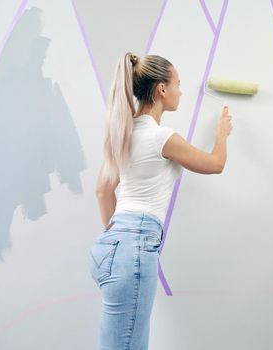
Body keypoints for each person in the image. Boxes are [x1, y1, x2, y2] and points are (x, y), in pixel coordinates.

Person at [91, 52, 232, 349]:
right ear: (161, 90)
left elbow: (103, 191)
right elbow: (215, 164)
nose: (180, 90)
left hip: (113, 246)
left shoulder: (125, 131)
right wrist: (222, 133)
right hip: (134, 246)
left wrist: (119, 238)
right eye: (177, 83)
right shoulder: (160, 137)